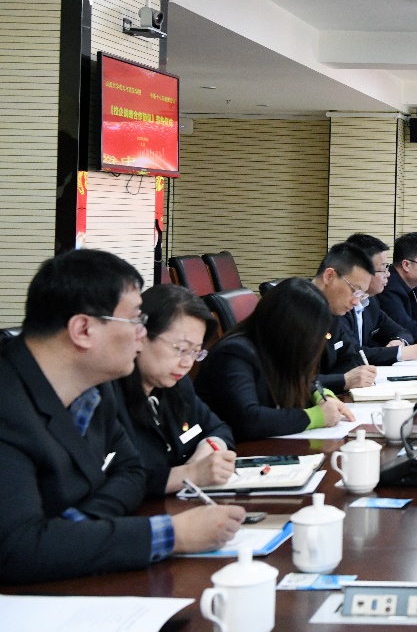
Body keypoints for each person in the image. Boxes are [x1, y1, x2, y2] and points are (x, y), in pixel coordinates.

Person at [1, 249, 243, 584]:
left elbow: (131, 472)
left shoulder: (93, 390)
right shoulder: (8, 405)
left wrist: (77, 531)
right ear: (83, 329)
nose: (142, 334)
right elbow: (17, 548)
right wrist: (172, 534)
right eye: (136, 321)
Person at [109, 284, 239, 498]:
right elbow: (115, 480)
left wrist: (207, 451)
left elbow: (218, 428)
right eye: (181, 349)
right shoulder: (107, 395)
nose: (188, 363)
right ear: (141, 335)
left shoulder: (176, 385)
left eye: (195, 352)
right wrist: (190, 474)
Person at [196, 277, 356, 441]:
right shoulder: (234, 353)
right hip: (235, 449)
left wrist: (322, 396)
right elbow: (249, 419)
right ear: (290, 330)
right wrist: (316, 416)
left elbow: (305, 378)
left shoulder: (274, 345)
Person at [343, 233, 417, 364]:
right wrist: (407, 352)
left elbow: (402, 331)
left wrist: (399, 341)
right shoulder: (340, 305)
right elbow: (350, 354)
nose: (388, 274)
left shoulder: (371, 302)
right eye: (383, 269)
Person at [312, 242, 379, 393]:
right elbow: (291, 381)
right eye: (355, 291)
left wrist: (339, 379)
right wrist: (343, 380)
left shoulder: (331, 310)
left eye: (361, 295)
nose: (356, 302)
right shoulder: (292, 308)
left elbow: (353, 358)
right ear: (329, 276)